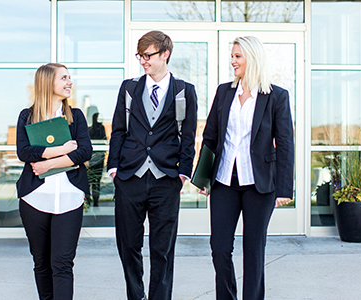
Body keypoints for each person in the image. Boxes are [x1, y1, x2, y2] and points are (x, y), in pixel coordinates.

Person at [199, 36, 294, 300]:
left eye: (237, 56)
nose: (233, 61)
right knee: (219, 248)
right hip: (224, 181)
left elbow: (285, 144)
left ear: (252, 58)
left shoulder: (276, 97)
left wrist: (284, 188)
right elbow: (210, 137)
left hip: (259, 184)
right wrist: (203, 179)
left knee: (254, 250)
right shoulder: (224, 92)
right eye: (232, 56)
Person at [107, 30, 198, 300]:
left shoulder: (184, 91)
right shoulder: (129, 88)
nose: (143, 61)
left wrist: (183, 174)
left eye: (148, 55)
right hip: (129, 176)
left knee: (163, 248)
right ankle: (136, 296)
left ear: (165, 54)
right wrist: (114, 169)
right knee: (128, 245)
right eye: (140, 56)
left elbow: (189, 135)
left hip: (166, 178)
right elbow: (119, 131)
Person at [16, 63, 92, 300]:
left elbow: (84, 152)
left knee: (62, 264)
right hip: (34, 199)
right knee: (41, 262)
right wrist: (61, 150)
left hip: (69, 199)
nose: (70, 82)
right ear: (47, 82)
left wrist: (47, 163)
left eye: (69, 77)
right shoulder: (27, 116)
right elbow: (24, 152)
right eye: (64, 78)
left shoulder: (76, 116)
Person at [87, 112, 107, 207]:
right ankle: (95, 201)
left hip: (92, 157)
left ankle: (89, 201)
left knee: (89, 180)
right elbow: (104, 140)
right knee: (96, 181)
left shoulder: (89, 128)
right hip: (97, 157)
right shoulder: (98, 128)